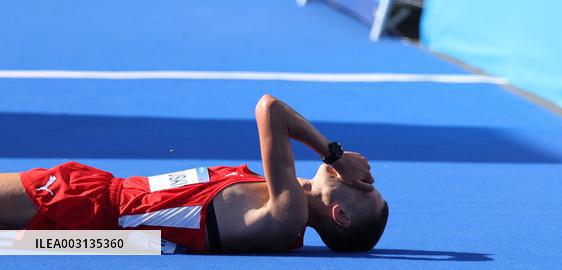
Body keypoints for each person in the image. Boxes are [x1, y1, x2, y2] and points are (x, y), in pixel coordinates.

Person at [0, 95, 388, 254]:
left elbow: (270, 109)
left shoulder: (288, 215)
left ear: (341, 215)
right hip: (97, 197)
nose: (363, 176)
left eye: (366, 188)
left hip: (89, 210)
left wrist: (334, 155)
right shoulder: (287, 198)